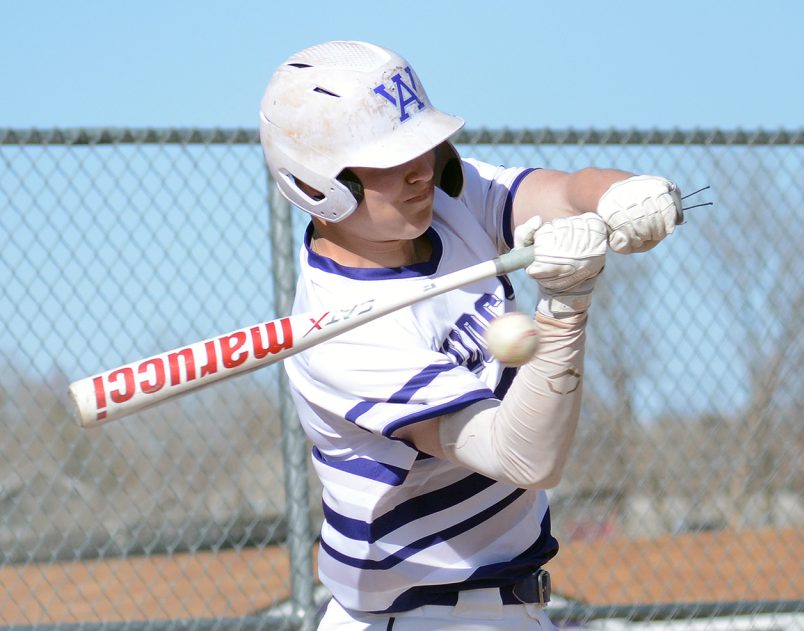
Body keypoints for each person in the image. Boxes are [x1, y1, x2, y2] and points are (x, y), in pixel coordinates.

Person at [259, 40, 688, 630]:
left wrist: (617, 194)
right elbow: (523, 455)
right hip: (415, 616)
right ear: (317, 183)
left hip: (503, 604)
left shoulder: (445, 203)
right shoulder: (342, 330)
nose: (420, 171)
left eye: (423, 147)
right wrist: (564, 309)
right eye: (389, 157)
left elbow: (566, 193)